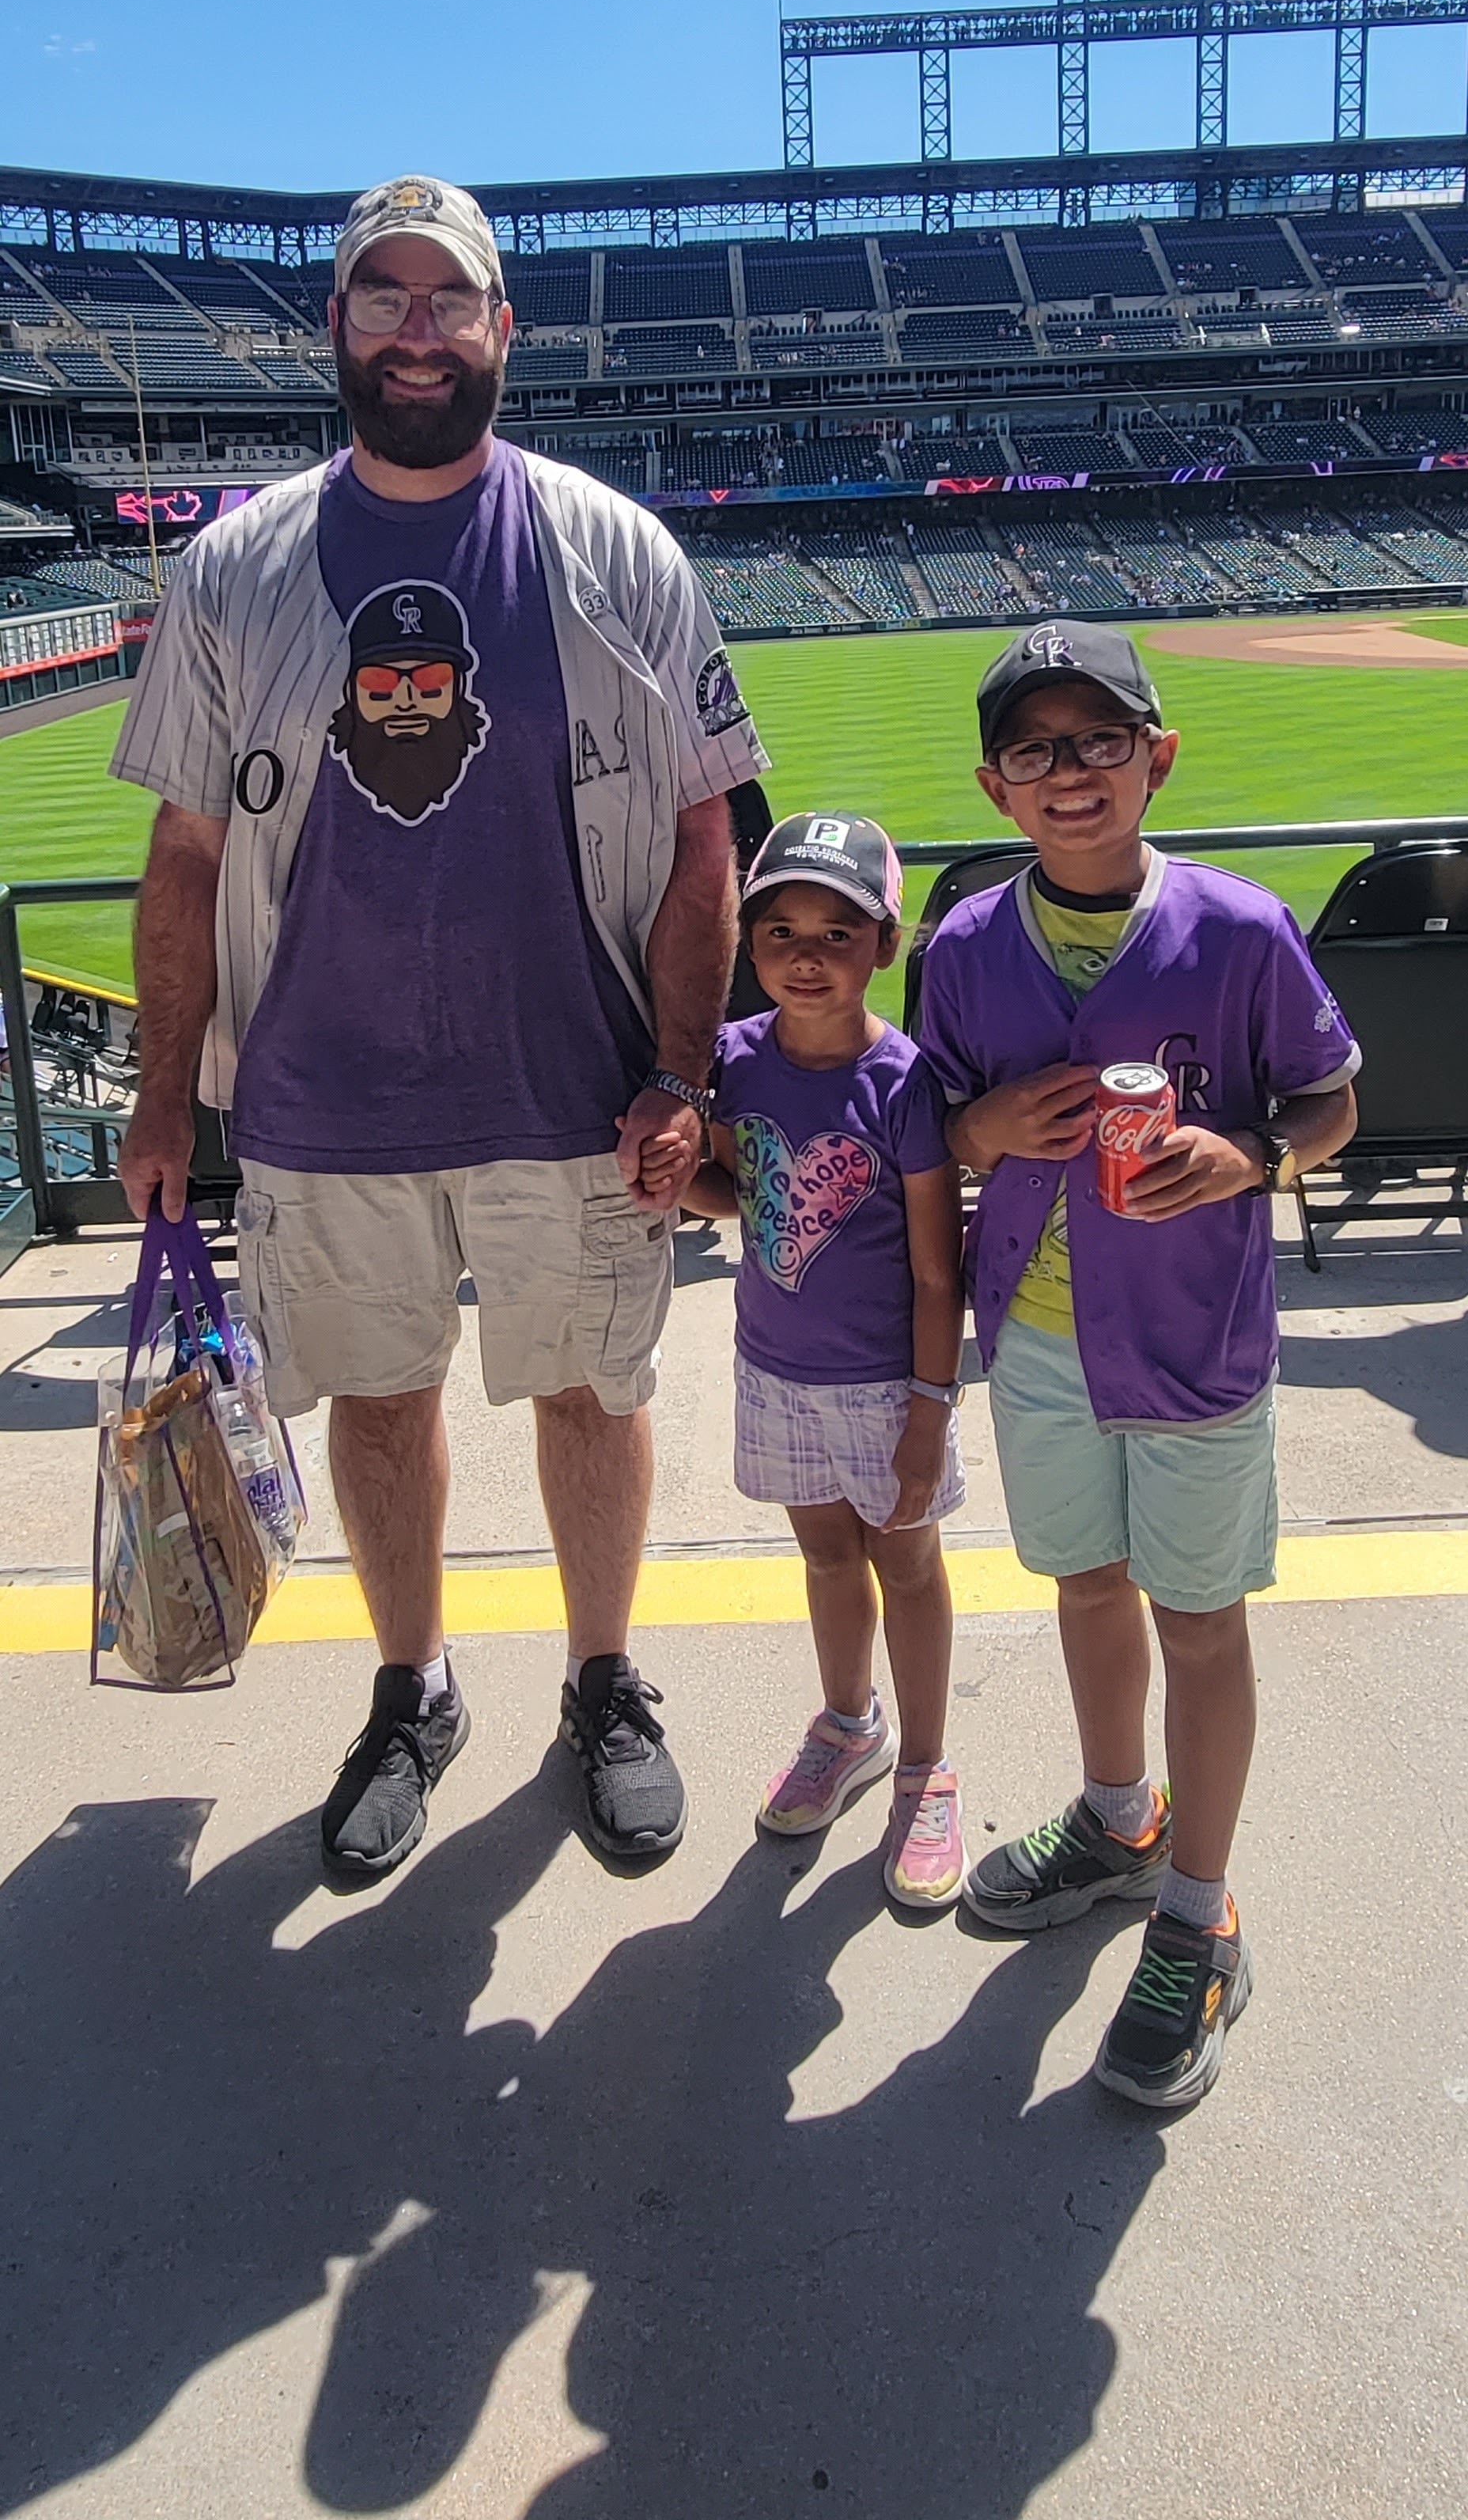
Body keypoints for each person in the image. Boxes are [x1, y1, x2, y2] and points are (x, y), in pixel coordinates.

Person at [114, 173, 767, 1882]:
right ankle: (414, 1690)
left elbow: (704, 832)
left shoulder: (615, 549)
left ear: (501, 329)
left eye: (448, 298)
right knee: (380, 1403)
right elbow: (184, 858)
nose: (418, 330)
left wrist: (681, 1075)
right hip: (322, 1097)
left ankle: (604, 1681)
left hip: (575, 1085)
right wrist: (165, 1100)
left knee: (590, 1396)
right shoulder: (234, 567)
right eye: (384, 296)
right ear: (336, 326)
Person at [918, 622, 1360, 2103]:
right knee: (1087, 1585)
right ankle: (1121, 1819)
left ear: (1156, 758)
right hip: (1040, 1343)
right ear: (996, 787)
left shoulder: (1238, 929)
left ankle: (1200, 1911)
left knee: (1201, 1619)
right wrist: (982, 1130)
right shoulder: (966, 947)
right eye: (1035, 749)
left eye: (1100, 740)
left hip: (1191, 1340)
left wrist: (1252, 1157)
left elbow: (1332, 1100)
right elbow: (936, 1127)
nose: (1071, 771)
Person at [687, 811, 968, 1910]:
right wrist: (672, 1181)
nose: (805, 957)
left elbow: (938, 1271)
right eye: (781, 933)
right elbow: (744, 1192)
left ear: (885, 947)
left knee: (909, 1563)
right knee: (824, 1558)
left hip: (888, 1385)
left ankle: (926, 1766)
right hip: (774, 1369)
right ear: (748, 944)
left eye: (838, 934)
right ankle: (850, 1725)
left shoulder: (903, 1084)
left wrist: (931, 1410)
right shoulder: (732, 1060)